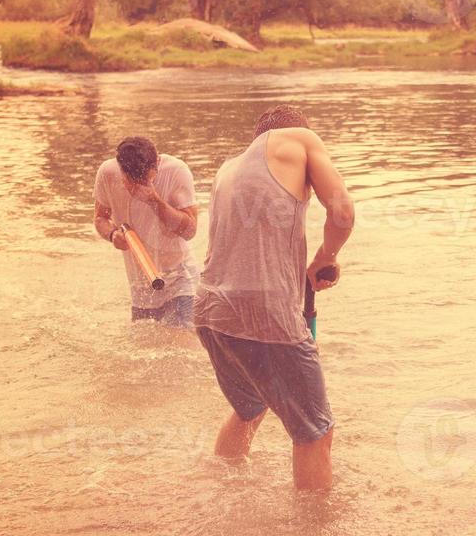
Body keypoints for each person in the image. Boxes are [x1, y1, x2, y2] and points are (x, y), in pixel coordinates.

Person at [194, 105, 355, 490]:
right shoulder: (301, 137)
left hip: (210, 310)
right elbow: (343, 211)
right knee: (315, 431)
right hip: (263, 312)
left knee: (249, 407)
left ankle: (226, 492)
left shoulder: (228, 168)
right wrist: (325, 257)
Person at [93, 137, 200, 328]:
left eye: (147, 180)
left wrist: (154, 201)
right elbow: (100, 218)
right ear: (121, 170)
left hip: (180, 280)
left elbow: (190, 230)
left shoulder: (177, 170)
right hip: (140, 288)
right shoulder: (107, 173)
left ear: (157, 163)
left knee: (184, 345)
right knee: (145, 350)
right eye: (133, 181)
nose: (139, 187)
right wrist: (112, 235)